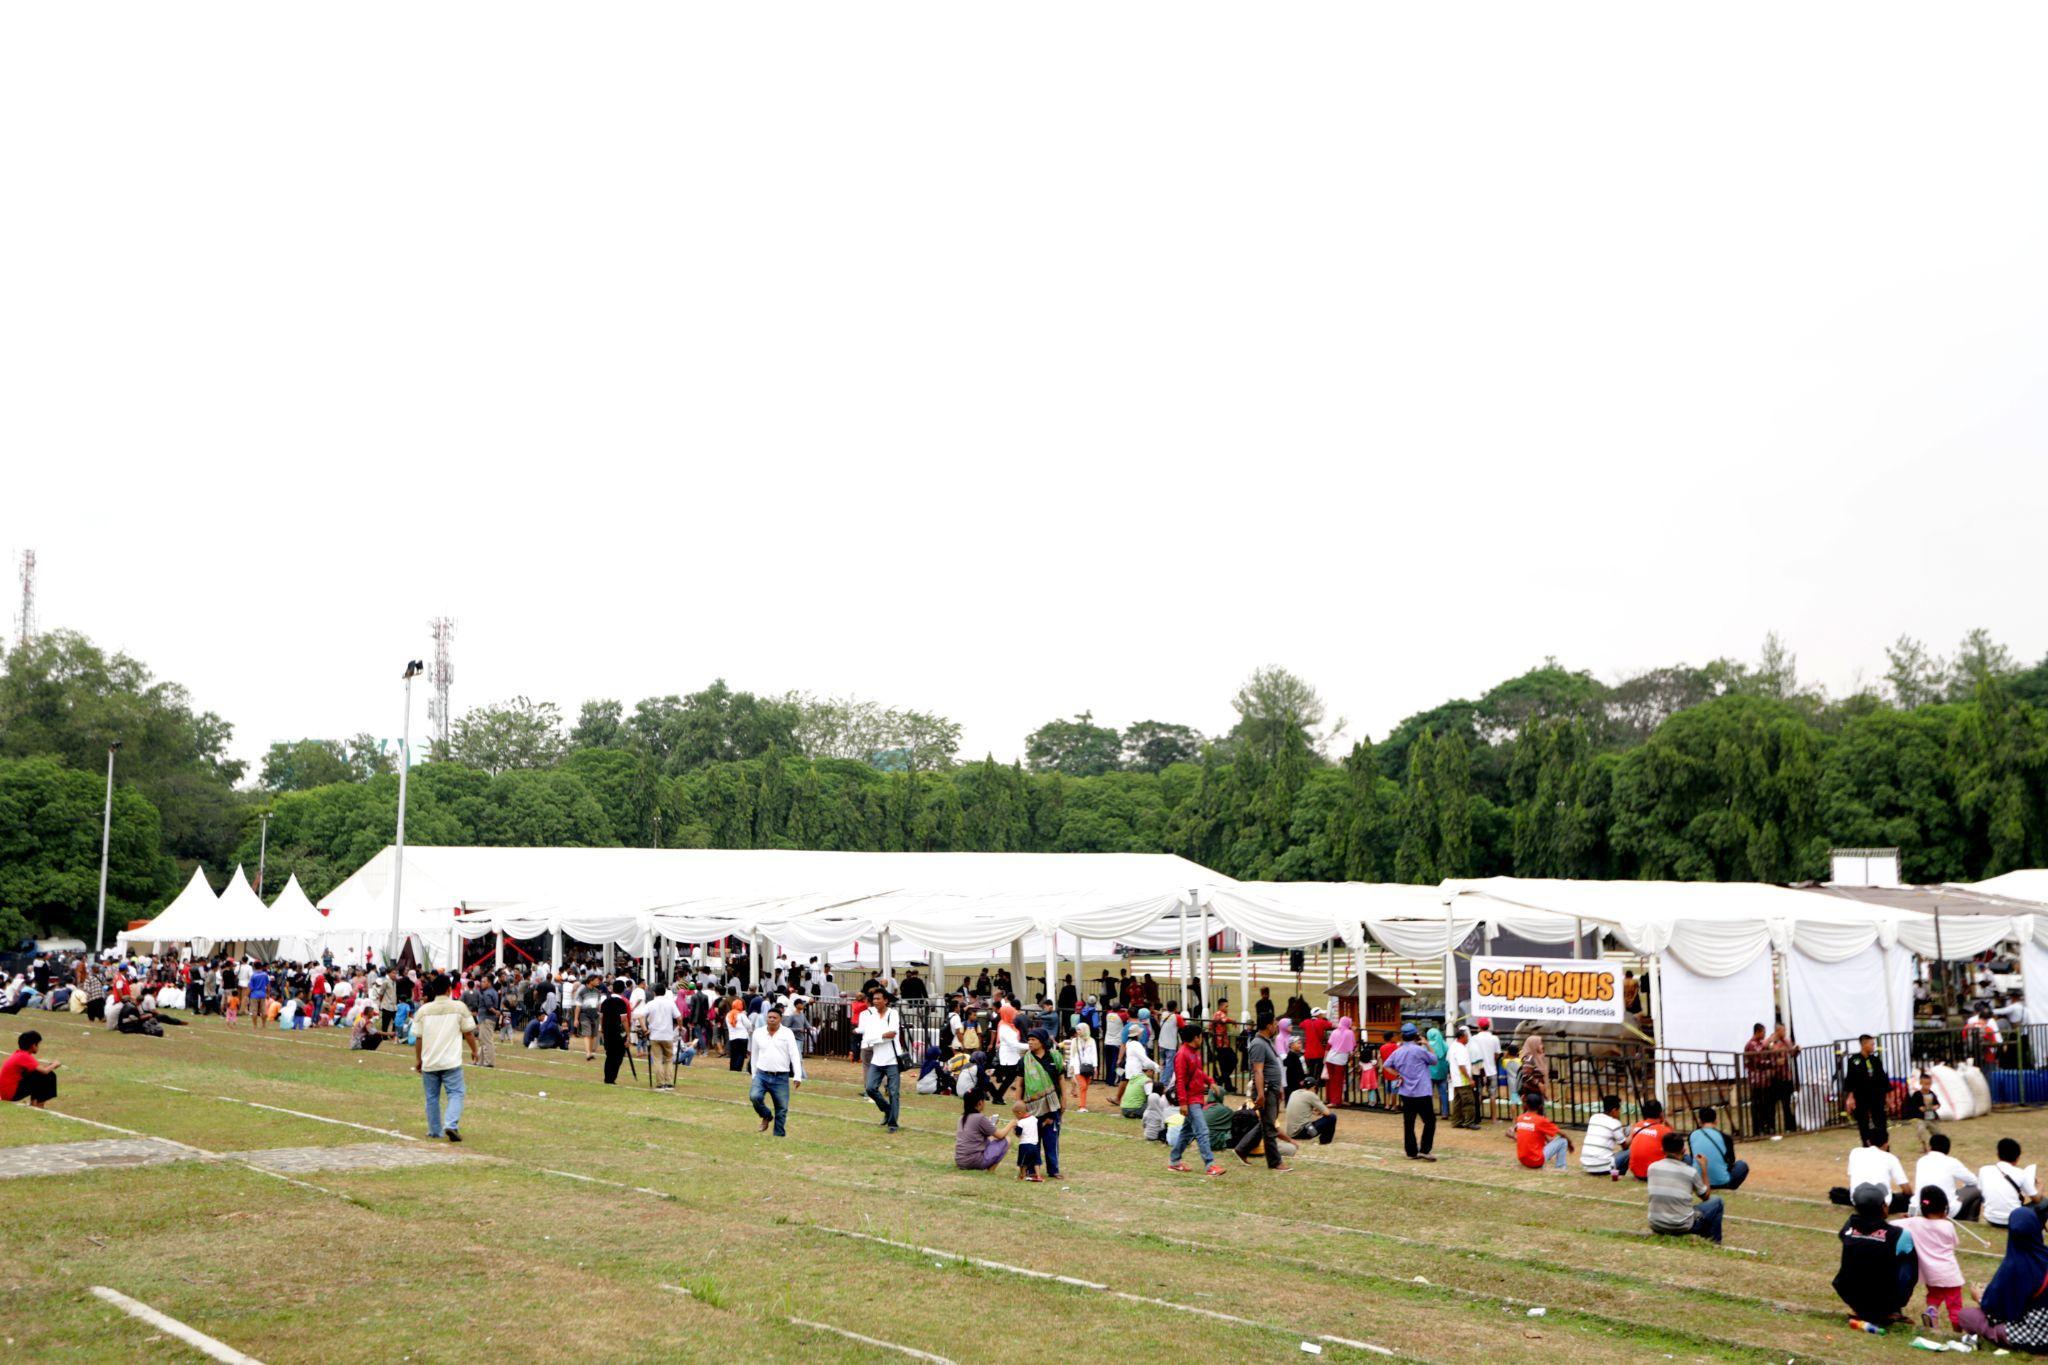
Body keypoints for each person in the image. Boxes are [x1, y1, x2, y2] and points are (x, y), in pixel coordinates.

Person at [1960, 1207, 2048, 1347]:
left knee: (1967, 1315)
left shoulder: (2014, 1266)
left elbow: (1996, 1314)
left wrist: (1980, 1298)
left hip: (2036, 1337)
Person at [1833, 1183, 1916, 1326]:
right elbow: (1909, 1274)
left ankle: (1860, 1308)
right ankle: (1891, 1309)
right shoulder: (1899, 1234)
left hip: (1850, 1293)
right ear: (1884, 1207)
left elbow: (1866, 1233)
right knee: (1909, 1259)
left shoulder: (1848, 1227)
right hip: (1884, 1298)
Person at [412, 975, 479, 1142]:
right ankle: (451, 1123)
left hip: (430, 1061)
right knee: (456, 1093)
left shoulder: (423, 1010)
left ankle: (435, 1130)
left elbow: (419, 1038)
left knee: (432, 1097)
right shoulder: (459, 1007)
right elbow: (468, 1032)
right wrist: (474, 1050)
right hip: (451, 1062)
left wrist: (419, 1060)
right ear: (450, 989)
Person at [1903, 1186, 1967, 1334]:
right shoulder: (1948, 1225)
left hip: (1930, 1273)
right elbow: (1954, 1243)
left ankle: (1931, 1312)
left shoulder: (1914, 1222)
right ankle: (1957, 1331)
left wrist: (1907, 1219)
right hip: (1949, 1274)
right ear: (1945, 1208)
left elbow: (1893, 1225)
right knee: (1954, 1304)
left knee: (1934, 1296)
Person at [1234, 1016, 1291, 1172]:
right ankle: (1275, 1161)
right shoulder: (1258, 1044)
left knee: (1266, 1123)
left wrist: (1279, 1087)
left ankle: (1242, 1149)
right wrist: (1260, 1094)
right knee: (1269, 1126)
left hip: (1272, 1089)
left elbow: (1272, 1067)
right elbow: (1258, 1071)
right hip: (1265, 1090)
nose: (1276, 1027)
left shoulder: (1267, 1042)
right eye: (1274, 1024)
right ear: (1268, 1026)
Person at [1167, 1027, 1226, 1176]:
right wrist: (1183, 1103)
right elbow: (1180, 1080)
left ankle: (1174, 1161)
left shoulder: (1195, 1052)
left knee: (1186, 1133)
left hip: (1197, 1097)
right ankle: (1210, 1165)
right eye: (1200, 1036)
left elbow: (1198, 1072)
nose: (1202, 1039)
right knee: (1202, 1131)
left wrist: (1210, 1081)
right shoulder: (1182, 1055)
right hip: (1190, 1100)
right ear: (1195, 1038)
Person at [1647, 1130, 1724, 1243]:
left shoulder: (1652, 1168)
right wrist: (1704, 1168)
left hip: (1656, 1224)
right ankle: (1714, 1242)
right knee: (1717, 1201)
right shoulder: (1690, 1172)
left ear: (1662, 1149)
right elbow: (1706, 1196)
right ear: (1683, 1150)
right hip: (1681, 1225)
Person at [747, 1005, 804, 1138]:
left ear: (780, 1019)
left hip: (781, 1076)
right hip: (762, 1074)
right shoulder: (758, 1033)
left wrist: (797, 1075)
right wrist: (754, 1074)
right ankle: (766, 1115)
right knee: (754, 1096)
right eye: (770, 1017)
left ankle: (778, 1136)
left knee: (781, 1108)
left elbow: (794, 1055)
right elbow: (754, 1055)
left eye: (775, 1018)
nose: (772, 1019)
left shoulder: (787, 1033)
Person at [1387, 1023, 1437, 1162]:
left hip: (1406, 1092)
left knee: (1409, 1123)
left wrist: (1398, 1075)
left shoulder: (1398, 1051)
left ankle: (1411, 1151)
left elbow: (1387, 1065)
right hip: (1422, 1092)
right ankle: (1425, 1149)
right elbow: (1434, 1060)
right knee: (1429, 1121)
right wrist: (1427, 1044)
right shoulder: (1419, 1050)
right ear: (1416, 1035)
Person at [858, 987, 903, 1133]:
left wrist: (877, 1036)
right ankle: (888, 1110)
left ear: (886, 1000)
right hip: (877, 1059)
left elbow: (892, 1034)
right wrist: (881, 1036)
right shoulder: (871, 1017)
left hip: (892, 1060)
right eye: (874, 999)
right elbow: (868, 1037)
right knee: (870, 1088)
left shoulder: (893, 1014)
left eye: (878, 998)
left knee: (894, 1092)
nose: (875, 1001)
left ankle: (893, 1123)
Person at [1022, 1029, 1065, 1180]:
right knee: (1032, 1139)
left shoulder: (1055, 1057)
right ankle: (1031, 1170)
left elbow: (1061, 1078)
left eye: (1033, 1040)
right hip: (1032, 1107)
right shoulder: (1025, 1060)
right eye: (1029, 1040)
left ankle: (1054, 1169)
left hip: (1053, 1106)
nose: (1030, 1042)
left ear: (1041, 1041)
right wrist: (1018, 1103)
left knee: (1051, 1138)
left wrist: (1064, 1099)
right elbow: (1020, 1083)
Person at [1915, 1134, 1983, 1221]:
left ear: (1930, 1147)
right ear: (1948, 1149)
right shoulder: (1952, 1162)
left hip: (1921, 1207)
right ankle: (1970, 1220)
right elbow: (1973, 1181)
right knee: (1977, 1189)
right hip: (1945, 1211)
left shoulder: (1921, 1161)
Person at [1980, 1137, 2044, 1229]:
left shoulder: (1984, 1170)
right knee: (2044, 1202)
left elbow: (1982, 1192)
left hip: (1991, 1218)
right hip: (2014, 1220)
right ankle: (2035, 1231)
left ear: (1997, 1154)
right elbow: (2036, 1199)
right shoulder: (2021, 1174)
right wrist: (2041, 1185)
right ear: (2017, 1158)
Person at [1843, 1033, 1891, 1146]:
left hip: (1877, 1096)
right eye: (1871, 1044)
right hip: (1861, 1096)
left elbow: (1883, 1078)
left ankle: (1883, 1144)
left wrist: (1888, 1096)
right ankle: (1866, 1144)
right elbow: (1850, 1079)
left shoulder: (1875, 1060)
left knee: (1880, 1121)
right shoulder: (1854, 1060)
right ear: (1864, 1044)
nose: (1873, 1046)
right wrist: (1850, 1097)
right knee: (1863, 1122)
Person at [1688, 1106, 1748, 1191]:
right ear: (1716, 1121)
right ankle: (1727, 1185)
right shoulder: (1725, 1137)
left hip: (1699, 1181)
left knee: (1687, 1159)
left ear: (1700, 1121)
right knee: (1742, 1165)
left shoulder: (1692, 1135)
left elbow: (1693, 1156)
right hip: (1722, 1182)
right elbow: (1731, 1160)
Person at [637, 984, 682, 1092]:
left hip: (655, 1035)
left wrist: (645, 1030)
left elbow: (640, 1016)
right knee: (669, 1059)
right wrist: (680, 1027)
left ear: (654, 992)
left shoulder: (651, 1003)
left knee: (657, 1060)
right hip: (668, 1035)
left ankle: (660, 1084)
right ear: (665, 992)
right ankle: (669, 1083)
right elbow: (679, 1017)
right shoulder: (670, 1003)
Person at [1845, 1134, 1911, 1207]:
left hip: (1857, 1202)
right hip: (1881, 1204)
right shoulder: (1891, 1158)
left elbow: (1851, 1176)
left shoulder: (1855, 1152)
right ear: (1886, 1144)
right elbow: (1907, 1190)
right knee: (1911, 1199)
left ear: (1868, 1142)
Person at [0, 1030, 59, 1107]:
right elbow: (44, 1071)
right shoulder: (24, 1056)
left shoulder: (19, 1054)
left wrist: (49, 1066)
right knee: (49, 1076)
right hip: (10, 1093)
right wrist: (55, 1064)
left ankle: (34, 1103)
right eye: (38, 1044)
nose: (38, 1047)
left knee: (36, 1074)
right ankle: (39, 1105)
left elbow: (37, 1069)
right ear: (33, 1045)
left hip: (6, 1092)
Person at [955, 1092, 1012, 1171]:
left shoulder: (962, 1117)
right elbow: (1000, 1135)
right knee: (1007, 1140)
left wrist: (989, 1123)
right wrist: (1011, 1124)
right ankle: (991, 1170)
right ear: (980, 1103)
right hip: (973, 1162)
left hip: (960, 1161)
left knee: (991, 1139)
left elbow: (981, 1135)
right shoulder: (979, 1118)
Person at [1515, 1094, 1571, 1170]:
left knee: (1542, 1139)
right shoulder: (1540, 1120)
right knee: (1563, 1140)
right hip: (1536, 1161)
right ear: (1540, 1106)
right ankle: (1561, 1167)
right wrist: (1570, 1143)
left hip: (1523, 1160)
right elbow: (1562, 1134)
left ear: (1526, 1105)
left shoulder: (1520, 1118)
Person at [1624, 1099, 1673, 1179]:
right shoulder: (1664, 1130)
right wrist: (1667, 1124)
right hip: (1655, 1173)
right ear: (1661, 1113)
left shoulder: (1637, 1125)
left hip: (1636, 1172)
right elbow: (1677, 1146)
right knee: (1684, 1157)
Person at [1582, 1094, 1626, 1177]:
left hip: (1587, 1165)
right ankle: (1619, 1174)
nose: (1620, 1112)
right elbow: (1625, 1146)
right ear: (1614, 1110)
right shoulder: (1615, 1123)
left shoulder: (1594, 1117)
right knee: (1629, 1151)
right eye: (1619, 1110)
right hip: (1603, 1167)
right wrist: (1632, 1133)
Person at [1466, 1018, 1500, 1121]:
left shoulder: (1474, 1038)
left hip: (1478, 1070)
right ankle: (1494, 1118)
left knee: (1478, 1093)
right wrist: (1493, 1060)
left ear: (1479, 1026)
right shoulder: (1494, 1038)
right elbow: (1497, 1054)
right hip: (1491, 1069)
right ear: (1488, 1026)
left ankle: (1477, 1116)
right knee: (1493, 1095)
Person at [599, 980, 631, 1085]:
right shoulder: (621, 1002)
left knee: (609, 1055)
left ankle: (607, 1078)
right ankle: (612, 1077)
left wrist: (602, 1029)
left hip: (607, 1031)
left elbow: (601, 1017)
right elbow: (624, 1020)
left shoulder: (605, 1001)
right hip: (618, 1032)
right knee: (618, 1055)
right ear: (623, 990)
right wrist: (628, 1034)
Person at [1448, 1025, 1478, 1129]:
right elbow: (1461, 1066)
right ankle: (1469, 1122)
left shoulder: (1453, 1046)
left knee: (1458, 1101)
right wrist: (1469, 1079)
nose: (1468, 1039)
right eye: (1466, 1037)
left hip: (1457, 1079)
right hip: (1462, 1080)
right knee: (1468, 1101)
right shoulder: (1460, 1048)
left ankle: (1456, 1121)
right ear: (1461, 1037)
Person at [1323, 1012, 1355, 1108]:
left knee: (1331, 1080)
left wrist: (1325, 1057)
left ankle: (1332, 1099)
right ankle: (1336, 1101)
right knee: (1338, 1081)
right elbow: (1353, 1046)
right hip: (1340, 1060)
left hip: (1330, 1058)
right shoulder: (1350, 1033)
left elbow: (1329, 1045)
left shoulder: (1335, 1032)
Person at [1067, 1020, 1098, 1112]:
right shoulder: (1075, 1041)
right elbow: (1072, 1054)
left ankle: (1082, 1104)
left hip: (1088, 1066)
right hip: (1077, 1066)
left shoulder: (1091, 1041)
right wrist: (1072, 1066)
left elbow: (1094, 1054)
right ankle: (1082, 1106)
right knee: (1083, 1086)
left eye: (1080, 1029)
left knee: (1085, 1087)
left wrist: (1095, 1066)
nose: (1078, 1032)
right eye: (1077, 1030)